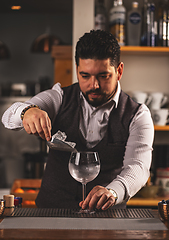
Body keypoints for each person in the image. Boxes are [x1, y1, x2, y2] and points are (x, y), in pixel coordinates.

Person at [2, 30, 154, 211]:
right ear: (76, 70)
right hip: (50, 215)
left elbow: (138, 167)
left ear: (119, 71)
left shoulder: (137, 115)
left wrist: (113, 192)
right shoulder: (59, 97)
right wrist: (26, 111)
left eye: (103, 76)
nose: (94, 85)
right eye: (85, 75)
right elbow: (8, 115)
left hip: (106, 220)